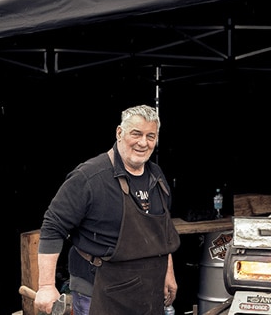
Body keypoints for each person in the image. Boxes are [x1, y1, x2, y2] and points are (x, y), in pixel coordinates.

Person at [35, 105, 180, 315]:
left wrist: (168, 272)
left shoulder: (156, 176)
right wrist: (46, 286)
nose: (143, 142)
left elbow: (161, 231)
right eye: (136, 134)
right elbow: (53, 226)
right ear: (119, 133)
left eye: (151, 136)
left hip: (148, 293)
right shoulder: (90, 177)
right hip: (99, 294)